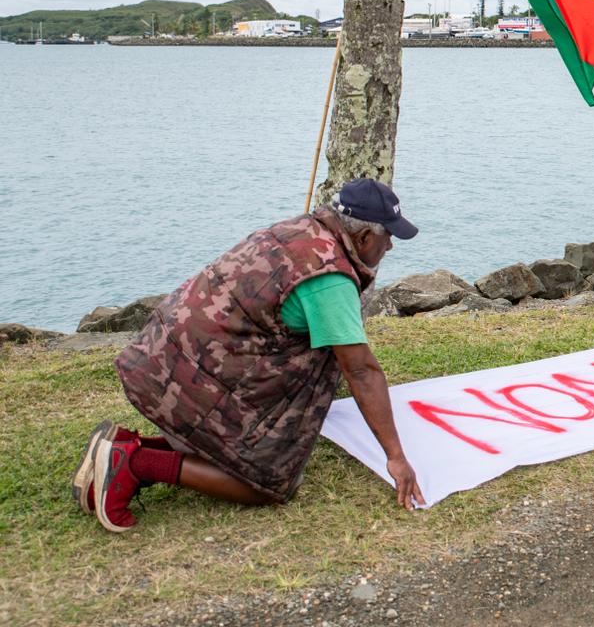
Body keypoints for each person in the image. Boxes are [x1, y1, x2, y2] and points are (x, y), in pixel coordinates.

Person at [74, 179, 425, 533]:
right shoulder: (330, 277)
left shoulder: (300, 228)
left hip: (161, 352)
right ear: (363, 237)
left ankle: (122, 447)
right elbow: (361, 370)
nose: (390, 246)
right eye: (387, 237)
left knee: (241, 449)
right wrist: (396, 457)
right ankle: (136, 463)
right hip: (190, 374)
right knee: (265, 482)